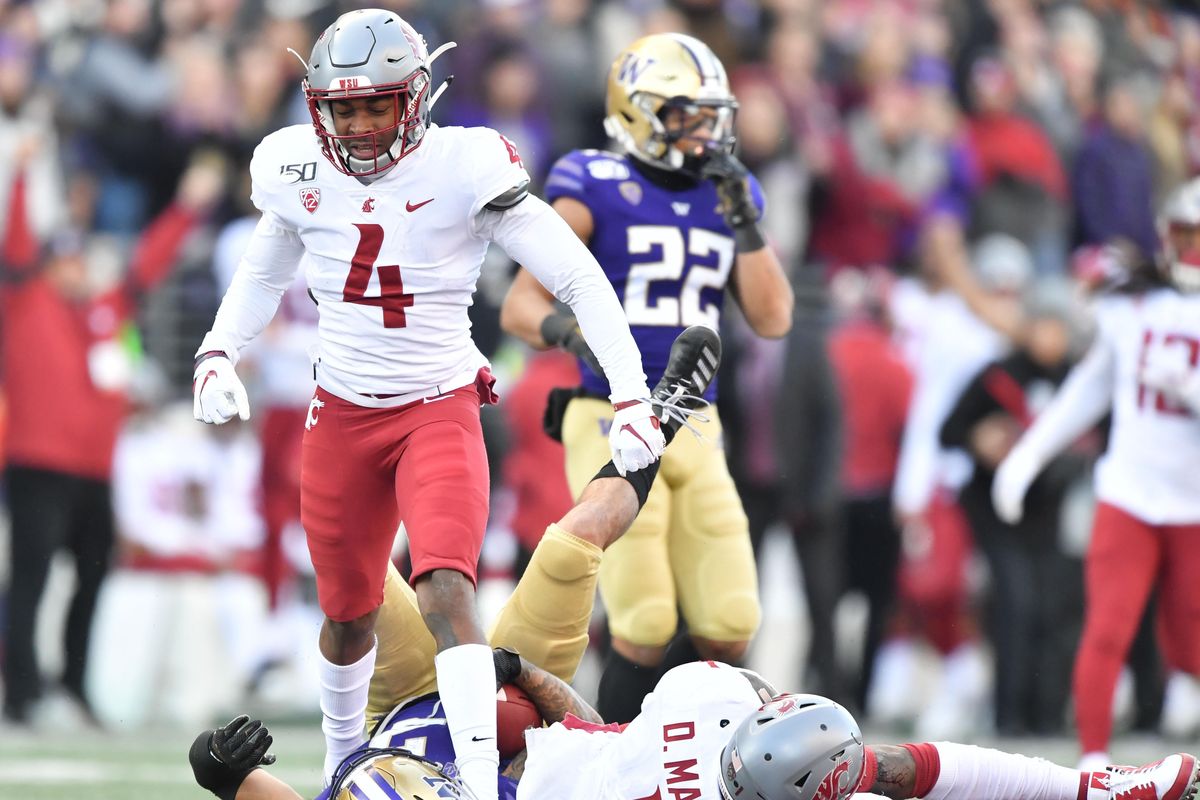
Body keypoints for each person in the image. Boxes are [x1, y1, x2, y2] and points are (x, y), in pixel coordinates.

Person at [190, 9, 668, 795]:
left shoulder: (464, 163)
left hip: (436, 405)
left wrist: (631, 395)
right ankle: (341, 764)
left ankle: (475, 782)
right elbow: (265, 268)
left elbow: (579, 276)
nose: (363, 124)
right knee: (347, 615)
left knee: (446, 584)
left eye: (378, 103)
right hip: (339, 411)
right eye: (345, 108)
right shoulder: (293, 166)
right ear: (320, 109)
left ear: (415, 97)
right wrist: (217, 350)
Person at [189, 327, 724, 800]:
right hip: (518, 687)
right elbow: (597, 736)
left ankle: (376, 359)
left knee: (348, 566)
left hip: (399, 700)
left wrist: (216, 764)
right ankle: (664, 416)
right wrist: (524, 675)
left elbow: (225, 777)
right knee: (574, 544)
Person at [498, 32, 793, 723]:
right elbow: (520, 305)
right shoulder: (592, 180)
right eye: (684, 113)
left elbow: (774, 317)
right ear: (638, 114)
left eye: (710, 113)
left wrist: (745, 220)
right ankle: (607, 760)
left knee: (730, 618)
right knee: (645, 618)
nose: (704, 129)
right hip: (612, 412)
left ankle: (688, 746)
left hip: (698, 417)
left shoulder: (732, 192)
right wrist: (580, 338)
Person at [992, 177, 1200, 768]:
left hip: (1193, 503)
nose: (1190, 253)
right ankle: (1093, 760)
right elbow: (1087, 391)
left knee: (1191, 646)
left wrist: (1190, 387)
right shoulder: (1133, 306)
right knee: (1107, 626)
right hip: (1129, 492)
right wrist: (1028, 456)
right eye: (1184, 237)